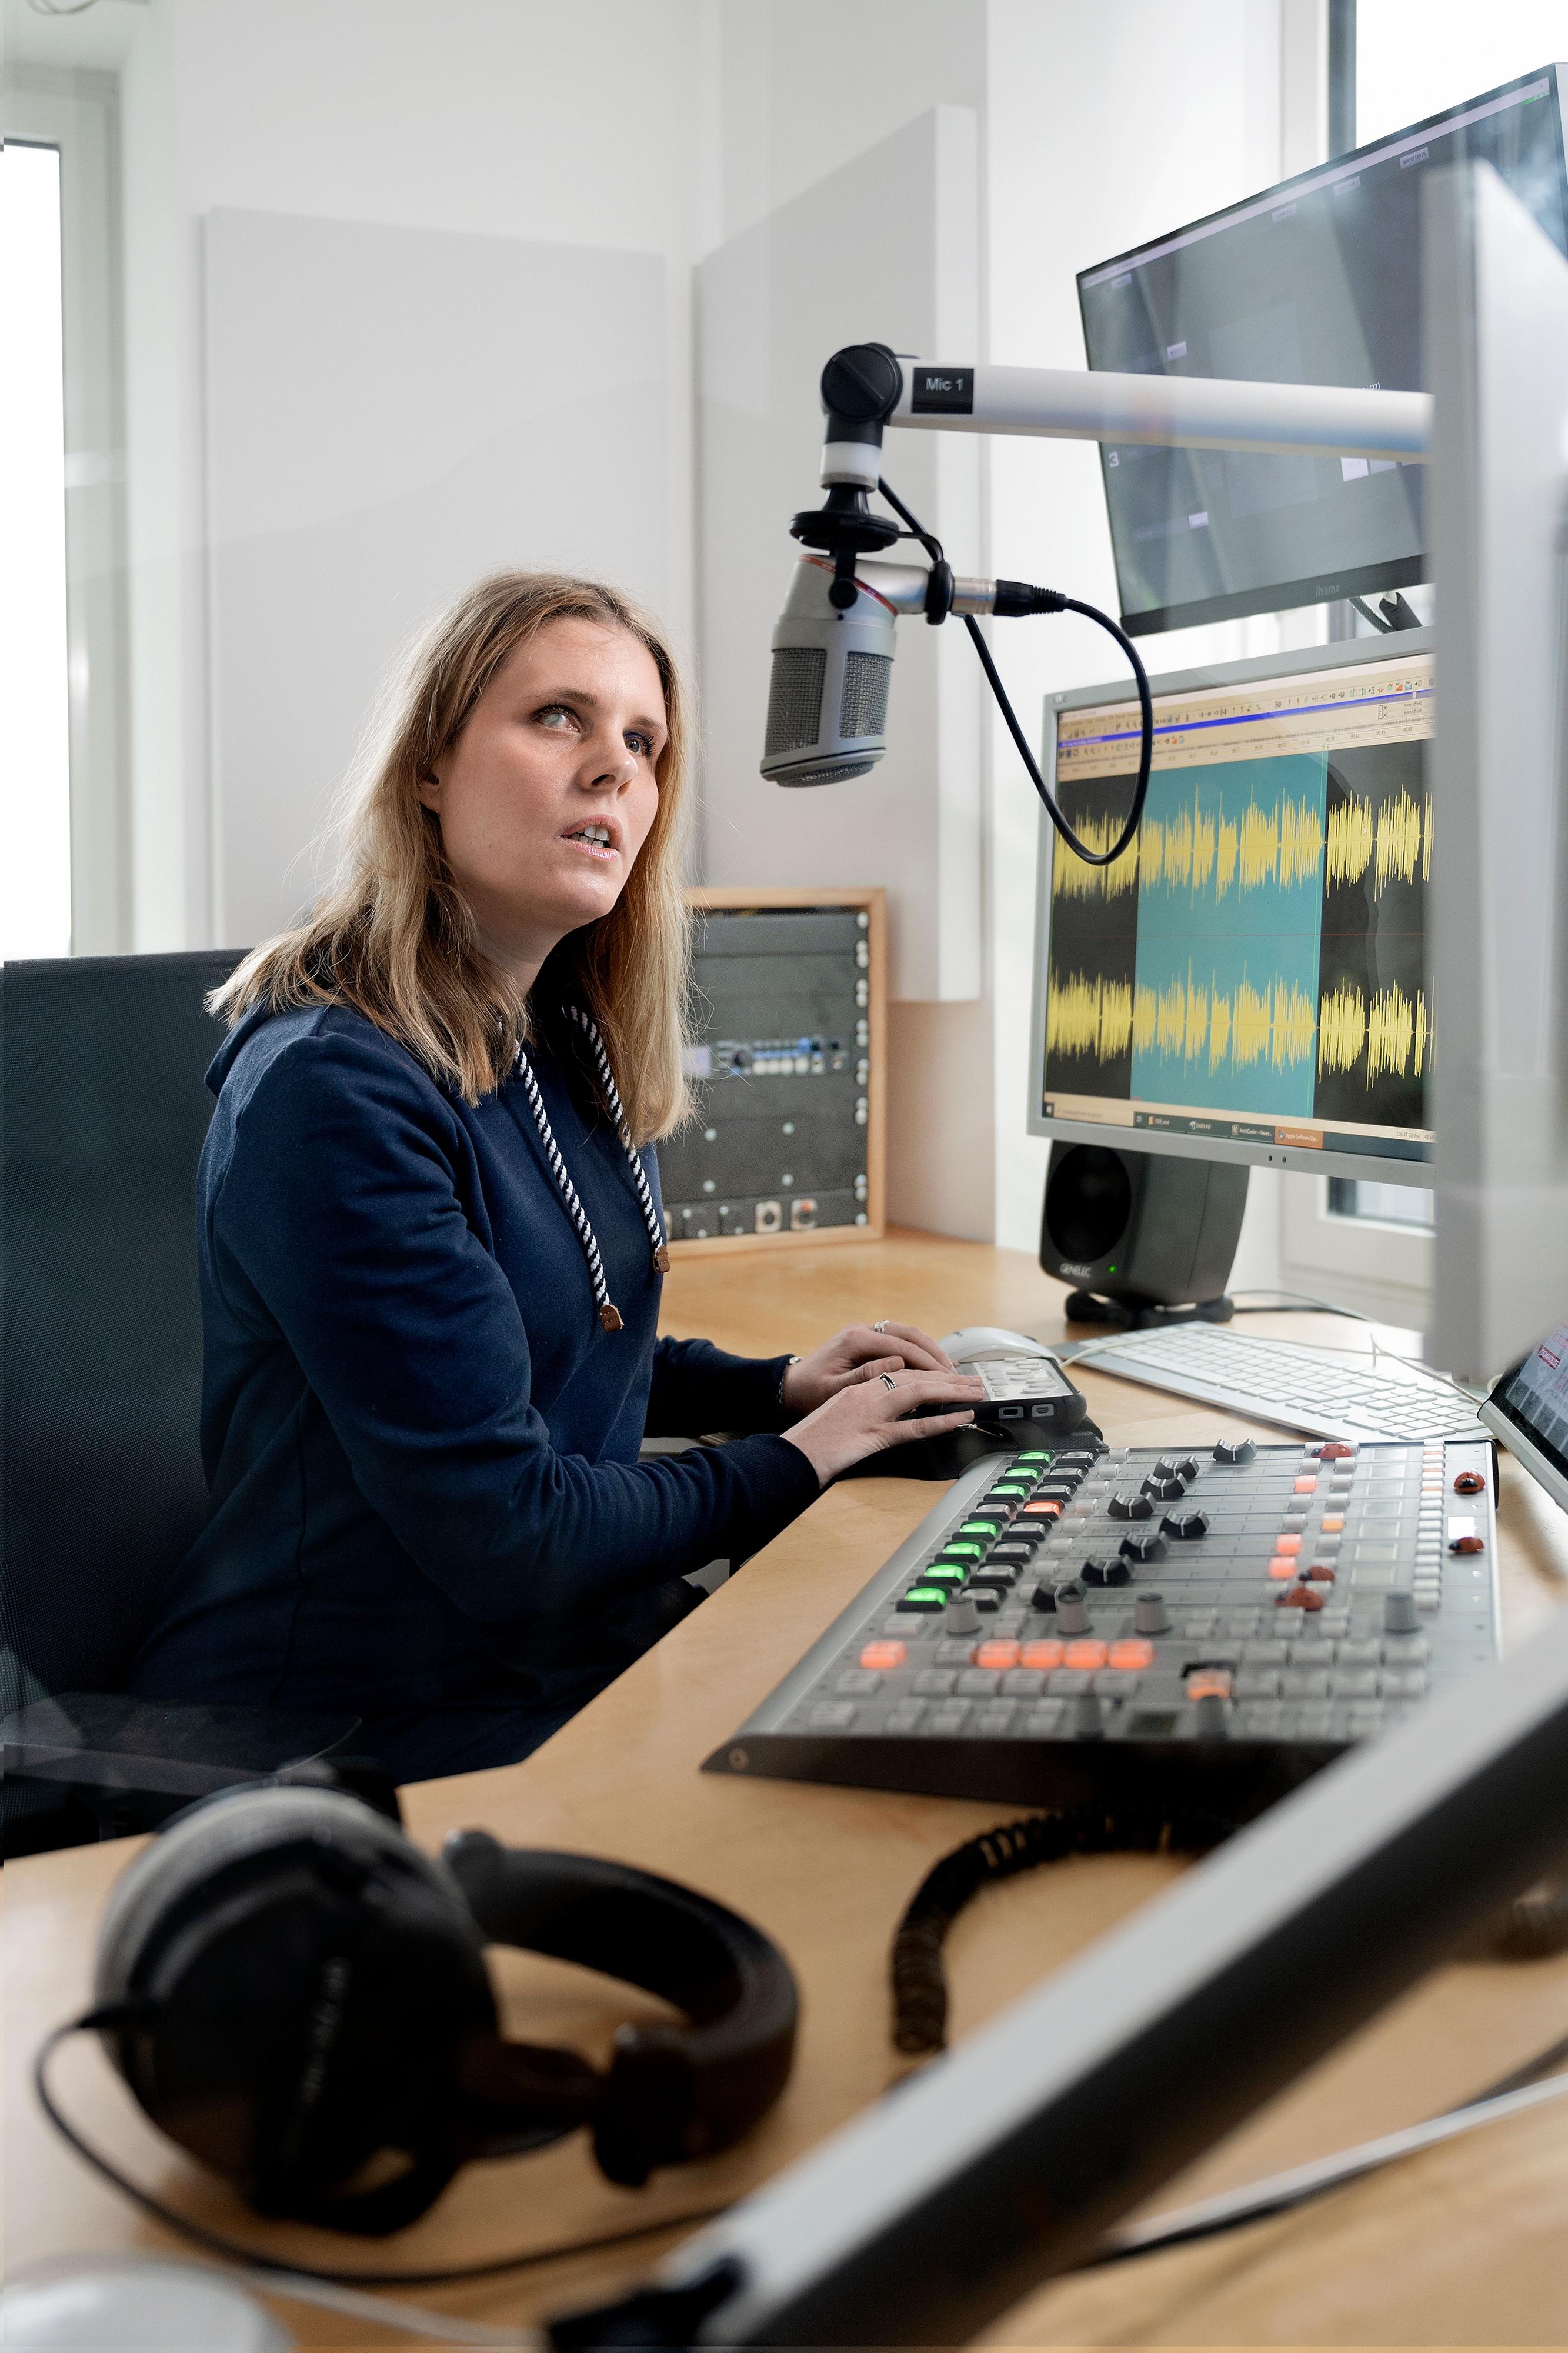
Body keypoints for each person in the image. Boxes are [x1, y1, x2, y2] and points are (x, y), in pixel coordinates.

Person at [131, 571, 982, 1781]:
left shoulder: (551, 1043)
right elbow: (512, 1529)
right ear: (429, 765)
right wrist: (804, 1456)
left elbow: (550, 1340)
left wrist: (778, 1385)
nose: (614, 769)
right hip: (347, 1722)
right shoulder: (333, 1091)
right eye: (559, 718)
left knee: (914, 1687)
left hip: (539, 1653)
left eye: (643, 741)